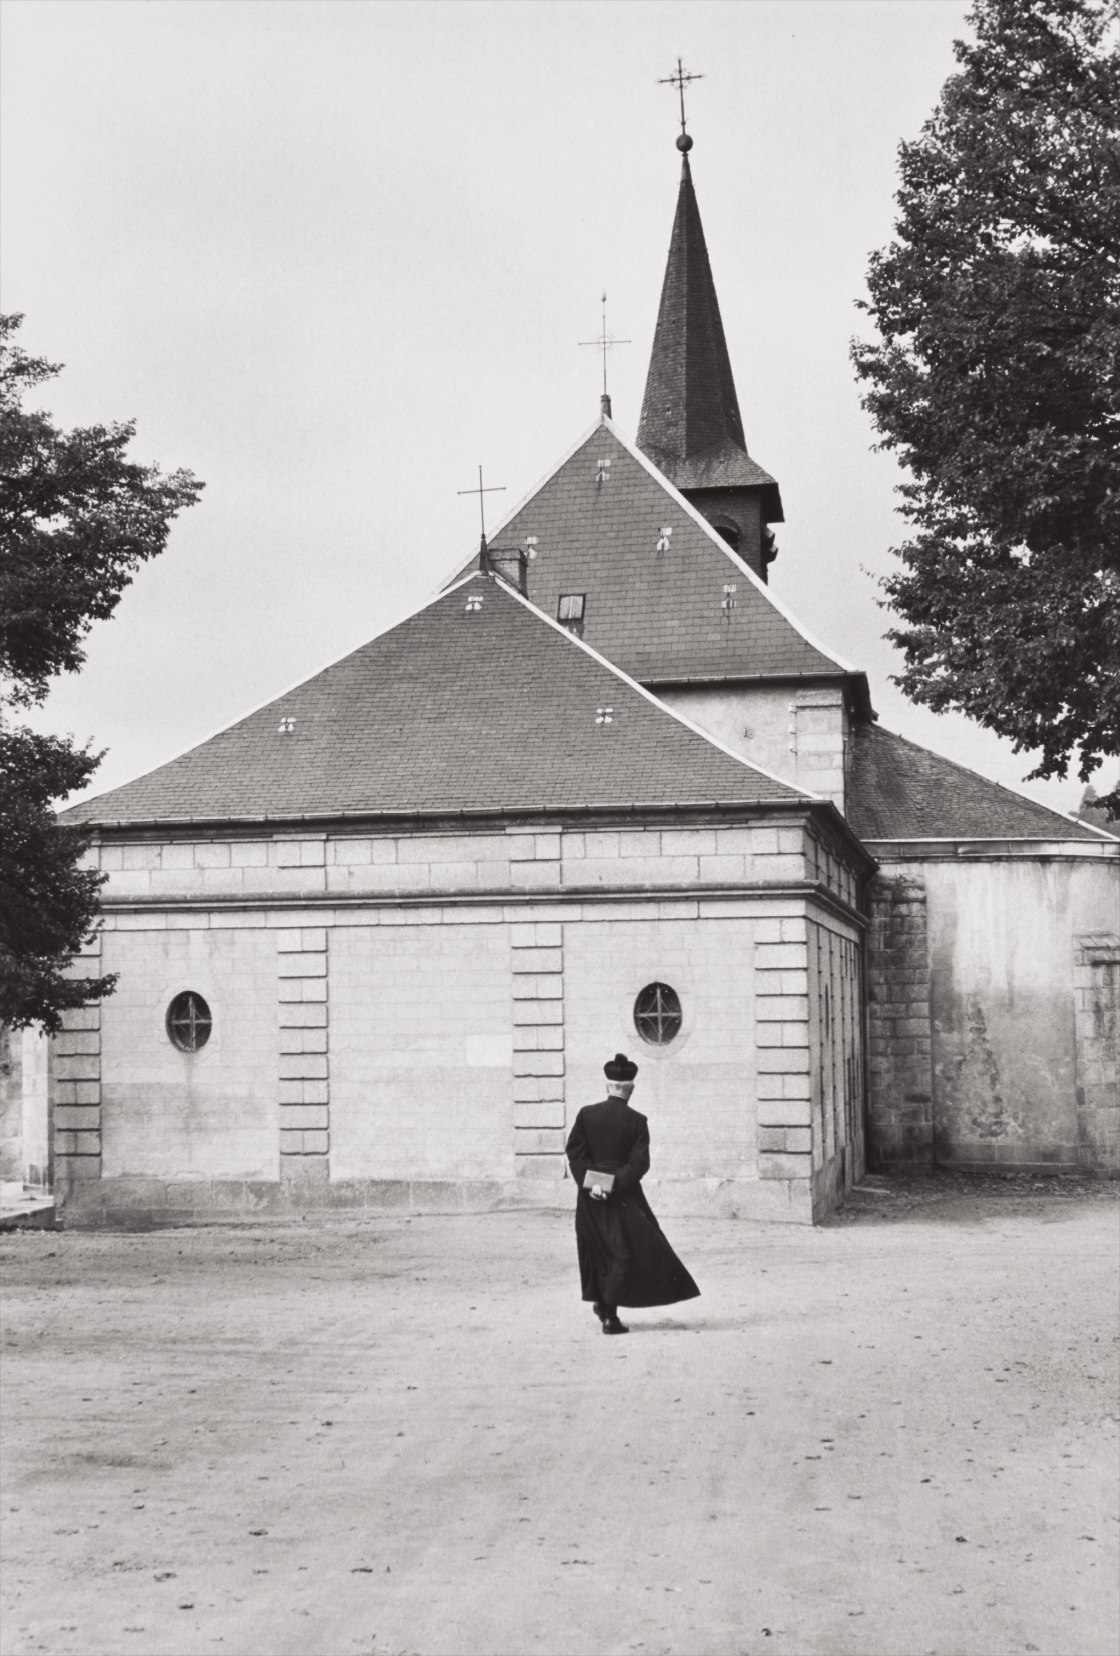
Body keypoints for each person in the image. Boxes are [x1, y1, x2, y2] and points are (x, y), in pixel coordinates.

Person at [565, 1053, 700, 1335]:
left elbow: (576, 1153)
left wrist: (593, 1183)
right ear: (631, 1089)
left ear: (607, 1087)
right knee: (623, 1251)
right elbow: (640, 1164)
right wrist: (612, 1184)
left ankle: (604, 1306)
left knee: (596, 1250)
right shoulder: (638, 1121)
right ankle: (609, 1317)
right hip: (623, 1196)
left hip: (590, 1198)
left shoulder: (586, 1114)